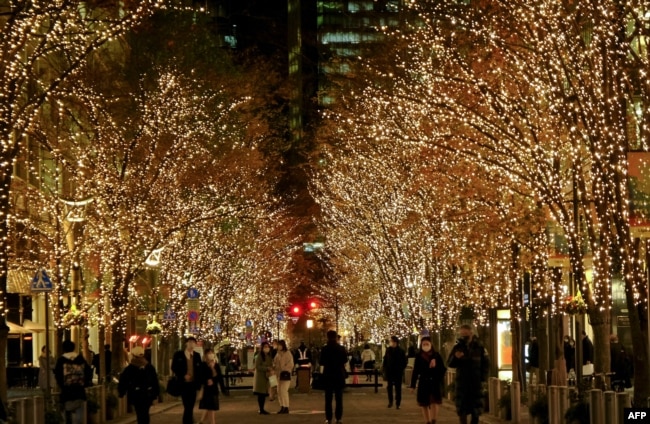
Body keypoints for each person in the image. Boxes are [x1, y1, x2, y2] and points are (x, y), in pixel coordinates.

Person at [447, 325, 489, 424]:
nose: (463, 336)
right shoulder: (457, 348)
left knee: (476, 411)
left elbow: (486, 364)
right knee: (462, 410)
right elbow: (449, 363)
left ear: (471, 333)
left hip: (476, 383)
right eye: (462, 334)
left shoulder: (480, 347)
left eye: (465, 334)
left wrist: (483, 379)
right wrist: (456, 358)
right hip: (462, 383)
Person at [117, 346, 159, 424]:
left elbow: (124, 380)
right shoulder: (149, 366)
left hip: (136, 394)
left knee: (140, 413)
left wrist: (121, 392)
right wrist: (155, 393)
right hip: (148, 394)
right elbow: (154, 381)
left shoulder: (130, 368)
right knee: (145, 412)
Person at [409, 337, 447, 424]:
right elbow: (415, 371)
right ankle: (427, 421)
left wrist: (435, 367)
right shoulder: (419, 356)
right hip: (423, 382)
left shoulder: (437, 355)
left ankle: (434, 419)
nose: (425, 346)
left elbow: (443, 369)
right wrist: (413, 385)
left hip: (434, 382)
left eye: (427, 344)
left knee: (434, 401)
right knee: (424, 403)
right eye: (424, 344)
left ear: (431, 345)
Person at [54, 340, 92, 424]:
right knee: (79, 411)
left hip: (66, 390)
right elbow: (88, 371)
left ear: (63, 348)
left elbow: (57, 374)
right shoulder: (80, 358)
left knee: (66, 411)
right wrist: (85, 383)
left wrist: (61, 385)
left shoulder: (61, 360)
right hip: (79, 389)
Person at [171, 336, 203, 424]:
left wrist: (199, 385)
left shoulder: (197, 356)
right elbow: (174, 367)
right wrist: (183, 375)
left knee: (190, 406)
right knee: (187, 405)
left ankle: (188, 421)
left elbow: (199, 370)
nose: (191, 344)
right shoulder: (179, 355)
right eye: (190, 342)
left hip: (193, 385)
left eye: (193, 342)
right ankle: (188, 421)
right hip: (183, 384)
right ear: (186, 343)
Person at [320, 330, 347, 424]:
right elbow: (345, 360)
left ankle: (328, 418)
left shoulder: (325, 349)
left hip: (328, 375)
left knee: (328, 399)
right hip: (339, 374)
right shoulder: (341, 348)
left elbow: (321, 362)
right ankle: (338, 418)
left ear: (327, 337)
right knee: (339, 398)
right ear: (336, 337)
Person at [198, 348, 228, 424]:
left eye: (211, 353)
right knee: (210, 408)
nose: (210, 355)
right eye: (209, 353)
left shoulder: (216, 365)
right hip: (206, 389)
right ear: (205, 355)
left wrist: (222, 388)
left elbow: (219, 378)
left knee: (210, 408)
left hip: (214, 389)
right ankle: (212, 422)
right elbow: (201, 376)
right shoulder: (203, 365)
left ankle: (201, 421)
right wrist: (207, 380)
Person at [383, 336, 407, 409]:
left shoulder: (401, 351)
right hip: (390, 371)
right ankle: (390, 401)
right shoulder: (388, 350)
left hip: (398, 372)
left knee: (398, 388)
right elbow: (385, 360)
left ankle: (398, 403)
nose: (392, 343)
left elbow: (404, 361)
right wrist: (385, 369)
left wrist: (401, 368)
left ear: (396, 342)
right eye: (391, 342)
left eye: (393, 341)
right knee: (389, 387)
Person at [273, 340, 294, 414]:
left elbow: (290, 364)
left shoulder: (287, 353)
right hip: (278, 375)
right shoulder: (277, 354)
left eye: (280, 345)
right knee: (279, 391)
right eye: (278, 345)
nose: (278, 347)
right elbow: (275, 363)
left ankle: (286, 406)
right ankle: (282, 406)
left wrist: (284, 369)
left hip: (285, 374)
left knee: (284, 391)